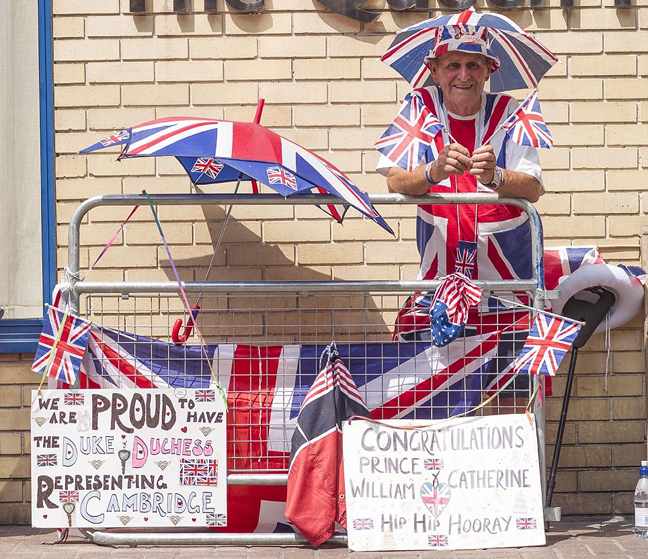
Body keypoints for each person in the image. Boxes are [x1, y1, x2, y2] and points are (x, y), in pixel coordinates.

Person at [377, 26, 545, 414]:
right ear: (434, 70)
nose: (463, 75)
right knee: (434, 399)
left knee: (511, 400)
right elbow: (394, 178)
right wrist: (432, 171)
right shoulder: (419, 108)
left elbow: (534, 188)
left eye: (474, 64)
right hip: (438, 288)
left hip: (507, 290)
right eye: (453, 65)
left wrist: (497, 177)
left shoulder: (512, 112)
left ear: (490, 69)